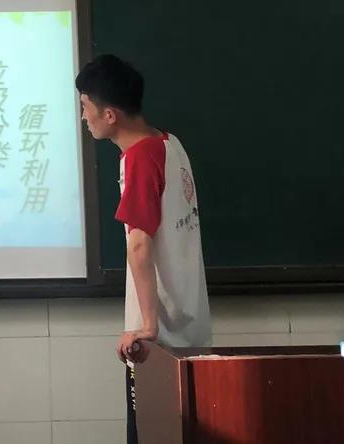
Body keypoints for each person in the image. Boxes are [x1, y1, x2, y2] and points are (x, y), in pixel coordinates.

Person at [75, 54, 210, 444]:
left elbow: (138, 245)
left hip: (157, 340)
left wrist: (148, 326)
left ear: (110, 115)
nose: (84, 117)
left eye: (85, 107)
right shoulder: (170, 144)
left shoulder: (140, 158)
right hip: (190, 325)